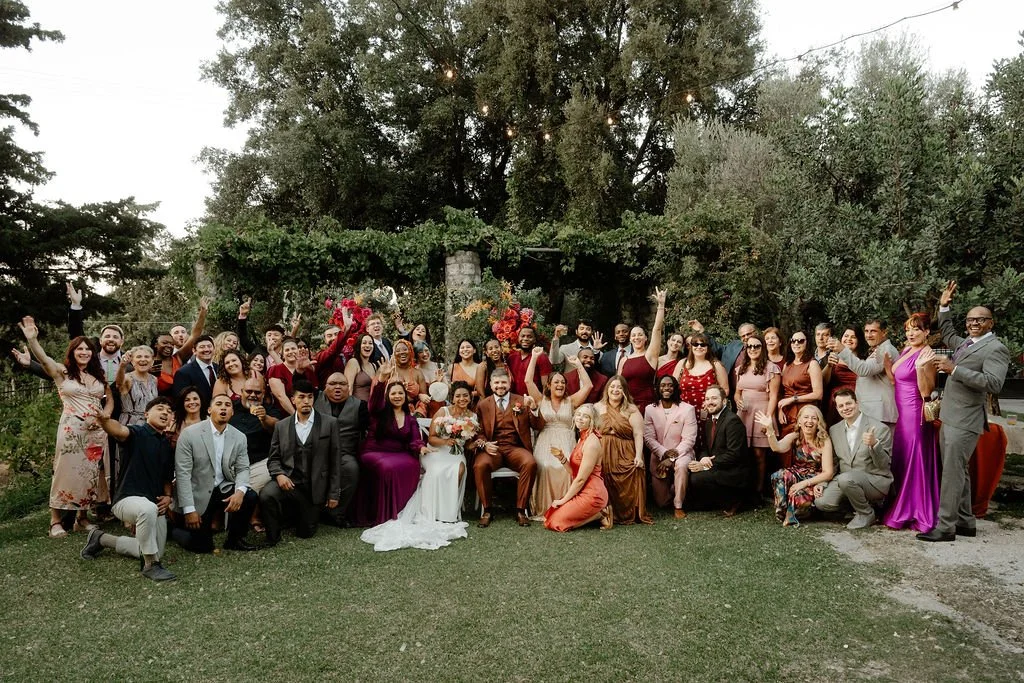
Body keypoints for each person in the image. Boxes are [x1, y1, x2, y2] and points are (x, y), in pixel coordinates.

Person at [917, 281, 1010, 542]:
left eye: (980, 320)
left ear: (991, 323)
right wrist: (944, 306)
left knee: (952, 473)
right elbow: (946, 331)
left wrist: (954, 369)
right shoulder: (966, 343)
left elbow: (994, 383)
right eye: (970, 319)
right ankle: (966, 522)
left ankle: (945, 527)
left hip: (966, 420)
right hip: (950, 417)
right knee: (959, 471)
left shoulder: (996, 348)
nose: (973, 323)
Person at [19, 317, 112, 537]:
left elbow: (109, 398)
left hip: (96, 433)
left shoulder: (97, 376)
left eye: (88, 349)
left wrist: (106, 414)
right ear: (73, 352)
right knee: (63, 472)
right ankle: (55, 521)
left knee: (88, 474)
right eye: (79, 349)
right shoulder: (63, 372)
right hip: (72, 430)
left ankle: (82, 518)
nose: (84, 352)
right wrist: (33, 341)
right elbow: (44, 360)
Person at [360, 381, 476, 551]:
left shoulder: (472, 417)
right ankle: (424, 511)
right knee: (434, 470)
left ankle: (447, 514)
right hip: (433, 450)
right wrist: (381, 379)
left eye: (465, 395)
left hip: (455, 454)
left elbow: (417, 438)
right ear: (452, 397)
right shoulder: (442, 412)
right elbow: (431, 439)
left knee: (448, 469)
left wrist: (477, 443)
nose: (462, 398)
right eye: (458, 395)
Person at [81, 396, 177, 581]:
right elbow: (118, 430)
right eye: (160, 408)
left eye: (169, 411)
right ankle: (150, 565)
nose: (165, 412)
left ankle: (100, 539)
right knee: (147, 511)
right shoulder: (137, 433)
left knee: (156, 548)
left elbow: (166, 477)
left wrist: (167, 497)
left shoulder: (167, 444)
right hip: (126, 500)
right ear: (146, 414)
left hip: (153, 504)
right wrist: (104, 420)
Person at [172, 393, 260, 552]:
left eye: (228, 405)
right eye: (219, 404)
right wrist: (189, 510)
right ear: (209, 409)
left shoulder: (239, 437)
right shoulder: (189, 434)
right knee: (202, 547)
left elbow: (243, 468)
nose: (223, 408)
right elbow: (182, 474)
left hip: (223, 488)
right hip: (197, 491)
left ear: (232, 412)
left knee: (249, 495)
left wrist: (240, 492)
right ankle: (173, 529)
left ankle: (235, 539)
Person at [260, 380, 343, 546]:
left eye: (310, 397)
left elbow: (335, 460)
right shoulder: (281, 426)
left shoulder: (330, 423)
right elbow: (274, 458)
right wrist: (280, 475)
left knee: (306, 533)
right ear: (293, 399)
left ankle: (301, 516)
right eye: (302, 397)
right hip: (290, 481)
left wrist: (334, 493)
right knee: (266, 494)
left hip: (314, 487)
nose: (306, 401)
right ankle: (272, 537)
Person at [882, 313, 940, 532]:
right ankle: (901, 504)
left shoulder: (928, 355)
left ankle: (915, 510)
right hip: (901, 415)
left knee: (915, 460)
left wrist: (920, 368)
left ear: (926, 332)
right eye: (908, 329)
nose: (911, 333)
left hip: (915, 415)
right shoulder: (907, 350)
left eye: (916, 329)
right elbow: (894, 380)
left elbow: (926, 391)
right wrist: (888, 366)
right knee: (903, 459)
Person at [524, 347, 592, 518]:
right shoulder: (541, 400)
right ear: (549, 385)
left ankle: (566, 509)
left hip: (566, 440)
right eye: (556, 382)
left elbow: (588, 386)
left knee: (566, 469)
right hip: (546, 440)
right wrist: (534, 357)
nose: (560, 384)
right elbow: (528, 382)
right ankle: (545, 508)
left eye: (562, 382)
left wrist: (578, 365)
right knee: (545, 466)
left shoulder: (571, 401)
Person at [352, 374, 428, 527]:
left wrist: (421, 447)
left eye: (400, 393)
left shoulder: (410, 418)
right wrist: (381, 381)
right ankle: (387, 514)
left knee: (413, 464)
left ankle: (403, 511)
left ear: (405, 396)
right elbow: (373, 402)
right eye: (393, 393)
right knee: (389, 468)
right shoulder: (378, 411)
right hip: (373, 452)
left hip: (399, 453)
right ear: (387, 396)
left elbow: (414, 439)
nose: (397, 396)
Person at [472, 368, 543, 527]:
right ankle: (487, 509)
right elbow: (478, 432)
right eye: (496, 383)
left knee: (529, 463)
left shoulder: (522, 401)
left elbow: (538, 426)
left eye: (503, 382)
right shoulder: (483, 405)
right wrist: (485, 444)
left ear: (509, 383)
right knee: (479, 465)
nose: (500, 386)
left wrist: (533, 409)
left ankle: (521, 510)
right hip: (493, 448)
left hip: (515, 448)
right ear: (490, 384)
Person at [815, 390, 893, 529]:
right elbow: (834, 462)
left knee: (846, 479)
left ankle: (866, 513)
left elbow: (884, 466)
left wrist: (874, 445)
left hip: (874, 480)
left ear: (857, 403)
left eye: (849, 403)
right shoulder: (834, 430)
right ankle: (854, 507)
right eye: (841, 406)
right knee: (822, 502)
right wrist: (824, 482)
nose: (845, 408)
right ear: (837, 409)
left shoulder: (880, 428)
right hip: (846, 480)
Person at [756, 405, 834, 526]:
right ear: (800, 421)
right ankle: (782, 510)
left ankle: (802, 511)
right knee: (779, 475)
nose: (809, 421)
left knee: (797, 496)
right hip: (797, 473)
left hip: (815, 478)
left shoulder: (824, 440)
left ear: (819, 422)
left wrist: (803, 484)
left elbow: (828, 473)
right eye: (806, 417)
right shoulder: (795, 436)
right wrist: (770, 429)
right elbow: (777, 447)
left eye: (814, 418)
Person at [684, 385, 752, 516]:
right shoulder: (710, 420)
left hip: (734, 471)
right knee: (691, 472)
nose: (710, 402)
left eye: (714, 398)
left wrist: (705, 465)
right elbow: (705, 448)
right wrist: (703, 458)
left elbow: (734, 455)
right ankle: (711, 502)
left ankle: (734, 500)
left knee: (697, 478)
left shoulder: (732, 421)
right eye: (707, 398)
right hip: (718, 465)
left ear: (724, 401)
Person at [594, 376, 652, 525]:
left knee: (634, 470)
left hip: (625, 449)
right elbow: (591, 432)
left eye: (619, 387)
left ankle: (628, 512)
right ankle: (606, 513)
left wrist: (638, 456)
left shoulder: (631, 409)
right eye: (612, 387)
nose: (615, 390)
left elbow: (638, 434)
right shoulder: (597, 407)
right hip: (603, 450)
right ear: (607, 389)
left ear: (624, 391)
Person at [545, 405, 612, 532]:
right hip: (582, 491)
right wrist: (562, 458)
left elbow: (581, 479)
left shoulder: (591, 442)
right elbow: (573, 472)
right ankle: (597, 514)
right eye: (579, 414)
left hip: (593, 494)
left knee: (555, 523)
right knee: (549, 516)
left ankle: (600, 514)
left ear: (592, 421)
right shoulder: (582, 438)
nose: (580, 418)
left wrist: (564, 500)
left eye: (585, 416)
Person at [313, 372, 366, 520]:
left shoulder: (360, 405)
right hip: (317, 451)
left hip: (344, 453)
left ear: (348, 388)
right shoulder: (315, 398)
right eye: (333, 384)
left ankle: (336, 513)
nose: (337, 387)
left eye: (342, 384)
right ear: (325, 387)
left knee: (352, 468)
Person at [644, 375, 698, 518]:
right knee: (661, 502)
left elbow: (689, 439)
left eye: (670, 385)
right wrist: (664, 454)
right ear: (657, 388)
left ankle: (678, 505)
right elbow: (649, 438)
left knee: (680, 466)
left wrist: (673, 457)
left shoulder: (687, 409)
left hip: (682, 453)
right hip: (659, 456)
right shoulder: (650, 409)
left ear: (675, 388)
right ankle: (676, 488)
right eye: (662, 385)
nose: (666, 388)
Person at [829, 318, 899, 427]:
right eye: (866, 331)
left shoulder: (885, 350)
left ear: (884, 332)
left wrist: (842, 350)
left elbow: (864, 370)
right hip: (873, 413)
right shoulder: (878, 349)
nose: (869, 335)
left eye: (873, 331)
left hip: (880, 413)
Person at [733, 334, 780, 493]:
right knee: (744, 453)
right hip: (744, 414)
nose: (753, 349)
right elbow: (737, 392)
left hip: (761, 412)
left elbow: (774, 396)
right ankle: (745, 489)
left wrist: (767, 418)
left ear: (763, 348)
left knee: (760, 455)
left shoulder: (771, 368)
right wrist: (737, 399)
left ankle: (759, 491)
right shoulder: (740, 368)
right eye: (749, 346)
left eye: (757, 346)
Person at [674, 331, 729, 451]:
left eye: (703, 345)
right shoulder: (682, 364)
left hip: (707, 413)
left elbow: (725, 389)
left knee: (707, 445)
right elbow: (673, 387)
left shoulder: (716, 365)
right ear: (690, 346)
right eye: (695, 344)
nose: (699, 347)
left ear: (708, 347)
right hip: (684, 413)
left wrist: (711, 403)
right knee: (684, 445)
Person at [229, 376, 283, 496]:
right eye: (248, 391)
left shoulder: (269, 410)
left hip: (259, 464)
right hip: (231, 464)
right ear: (241, 392)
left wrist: (264, 418)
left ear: (263, 394)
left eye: (257, 392)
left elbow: (277, 426)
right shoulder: (230, 407)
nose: (253, 395)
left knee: (248, 494)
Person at [619, 287, 667, 409]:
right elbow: (618, 383)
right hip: (627, 404)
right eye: (633, 335)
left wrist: (661, 306)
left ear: (646, 338)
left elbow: (657, 329)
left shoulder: (650, 355)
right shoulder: (624, 359)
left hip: (646, 404)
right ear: (630, 339)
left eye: (640, 334)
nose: (637, 337)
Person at [777, 331, 823, 438]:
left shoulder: (812, 364)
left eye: (800, 341)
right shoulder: (787, 365)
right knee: (786, 448)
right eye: (793, 341)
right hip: (787, 412)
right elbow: (783, 392)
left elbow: (818, 394)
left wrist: (793, 399)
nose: (796, 343)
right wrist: (780, 410)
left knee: (803, 446)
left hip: (806, 411)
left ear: (807, 343)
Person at [267, 337, 318, 414]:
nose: (291, 352)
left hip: (308, 413)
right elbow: (281, 397)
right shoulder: (275, 370)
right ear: (283, 355)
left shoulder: (307, 369)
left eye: (293, 348)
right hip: (285, 415)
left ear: (298, 351)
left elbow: (314, 392)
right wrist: (296, 416)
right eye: (287, 350)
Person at [825, 327, 864, 425]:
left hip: (856, 400)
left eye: (853, 337)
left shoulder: (864, 361)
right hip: (836, 402)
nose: (849, 339)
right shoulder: (833, 357)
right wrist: (829, 366)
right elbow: (824, 382)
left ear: (859, 340)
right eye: (846, 336)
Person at [115, 345, 158, 427]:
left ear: (152, 361)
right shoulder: (128, 378)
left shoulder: (154, 379)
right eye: (138, 357)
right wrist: (122, 366)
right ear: (132, 362)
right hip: (130, 424)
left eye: (147, 357)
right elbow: (119, 384)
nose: (143, 359)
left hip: (149, 424)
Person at [171, 334, 219, 406]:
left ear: (214, 349)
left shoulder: (219, 368)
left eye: (209, 346)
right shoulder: (184, 372)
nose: (206, 349)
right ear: (194, 351)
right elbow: (180, 399)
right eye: (202, 347)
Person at [506, 325, 552, 397]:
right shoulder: (511, 357)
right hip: (515, 401)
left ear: (534, 340)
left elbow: (545, 385)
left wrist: (543, 404)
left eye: (529, 336)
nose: (525, 339)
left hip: (534, 401)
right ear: (518, 338)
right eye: (523, 336)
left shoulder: (541, 357)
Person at [344, 333, 376, 402]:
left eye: (370, 343)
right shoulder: (353, 362)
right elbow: (348, 388)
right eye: (364, 343)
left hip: (372, 408)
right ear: (359, 346)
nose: (367, 346)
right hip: (357, 407)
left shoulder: (374, 365)